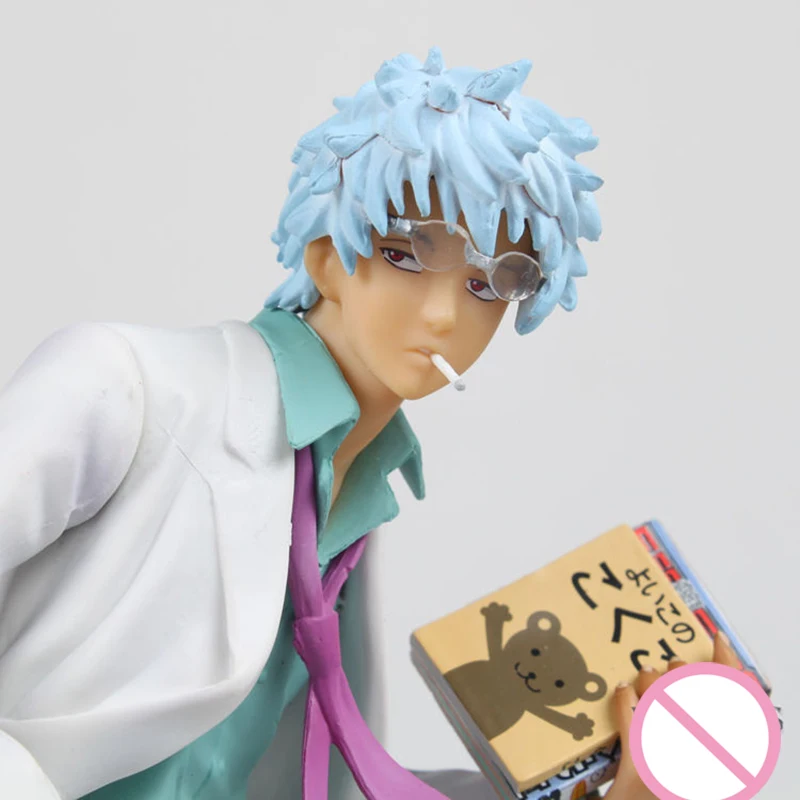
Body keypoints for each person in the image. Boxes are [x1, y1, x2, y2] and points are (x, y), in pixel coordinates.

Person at [0, 46, 741, 800]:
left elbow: (343, 784)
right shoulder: (125, 386)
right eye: (406, 253)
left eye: (491, 283)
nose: (445, 314)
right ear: (326, 255)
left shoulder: (350, 499)